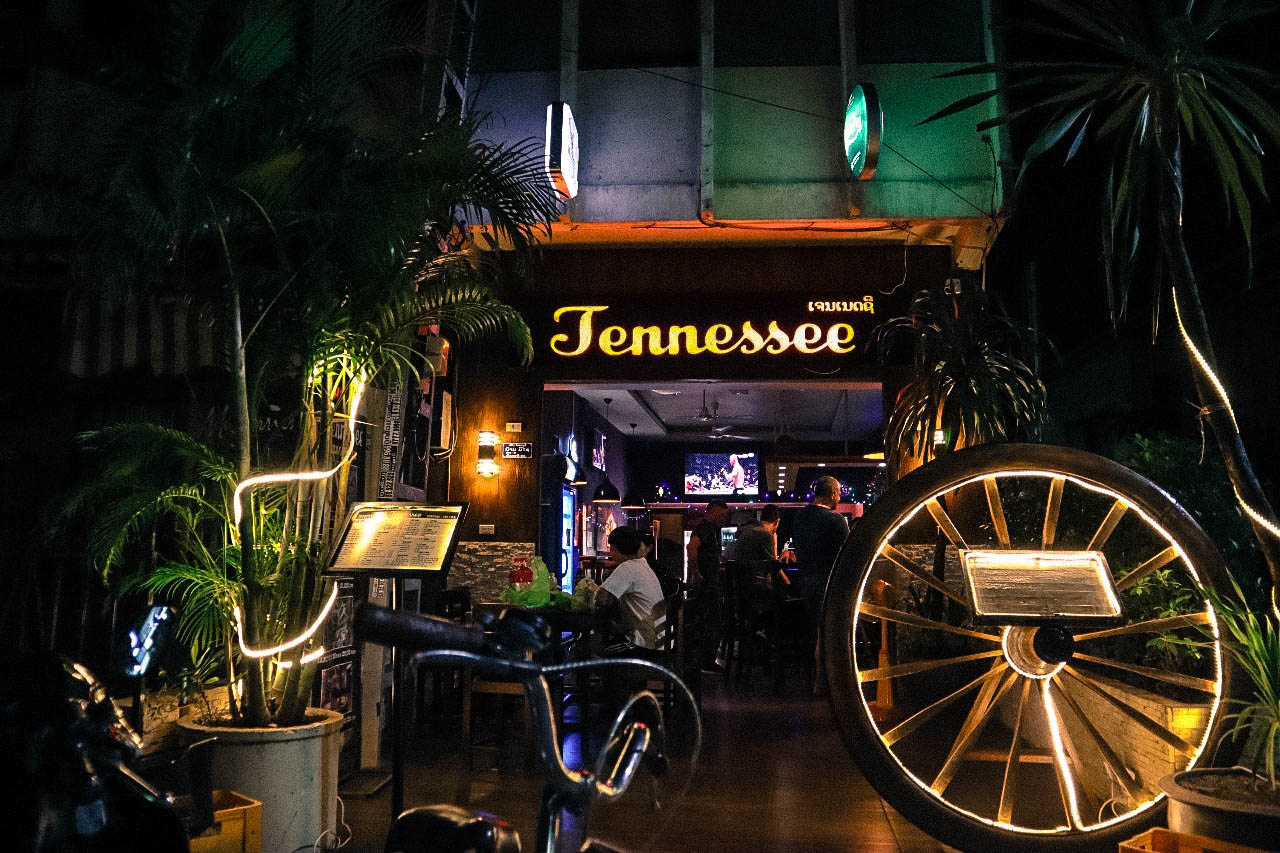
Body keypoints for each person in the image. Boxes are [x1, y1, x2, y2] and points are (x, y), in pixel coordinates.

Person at [788, 476, 850, 685]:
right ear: (832, 494)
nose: (839, 498)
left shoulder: (800, 516)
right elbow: (848, 554)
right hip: (829, 587)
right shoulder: (836, 520)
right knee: (832, 627)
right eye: (839, 494)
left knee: (817, 627)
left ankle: (817, 674)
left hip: (805, 586)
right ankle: (828, 677)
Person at [596, 525, 665, 655]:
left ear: (617, 548)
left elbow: (601, 600)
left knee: (597, 650)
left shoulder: (627, 567)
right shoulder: (642, 564)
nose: (611, 553)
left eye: (612, 548)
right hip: (659, 640)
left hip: (644, 643)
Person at [687, 499, 730, 672]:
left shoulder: (710, 529)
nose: (724, 519)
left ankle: (703, 660)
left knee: (708, 621)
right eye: (722, 515)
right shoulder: (705, 528)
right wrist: (696, 573)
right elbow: (691, 547)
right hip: (707, 584)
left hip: (708, 583)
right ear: (712, 512)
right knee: (713, 621)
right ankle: (706, 661)